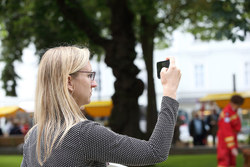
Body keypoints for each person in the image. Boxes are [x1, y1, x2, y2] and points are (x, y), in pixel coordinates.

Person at [21, 46, 181, 167]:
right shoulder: (82, 134)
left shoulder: (34, 136)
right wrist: (170, 91)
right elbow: (155, 151)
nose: (94, 83)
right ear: (69, 82)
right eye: (90, 75)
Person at [217, 95, 244, 167]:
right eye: (238, 105)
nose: (239, 107)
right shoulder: (227, 113)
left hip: (231, 137)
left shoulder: (233, 111)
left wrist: (238, 130)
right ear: (233, 103)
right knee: (224, 160)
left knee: (232, 161)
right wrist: (232, 147)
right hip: (224, 139)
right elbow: (226, 131)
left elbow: (235, 125)